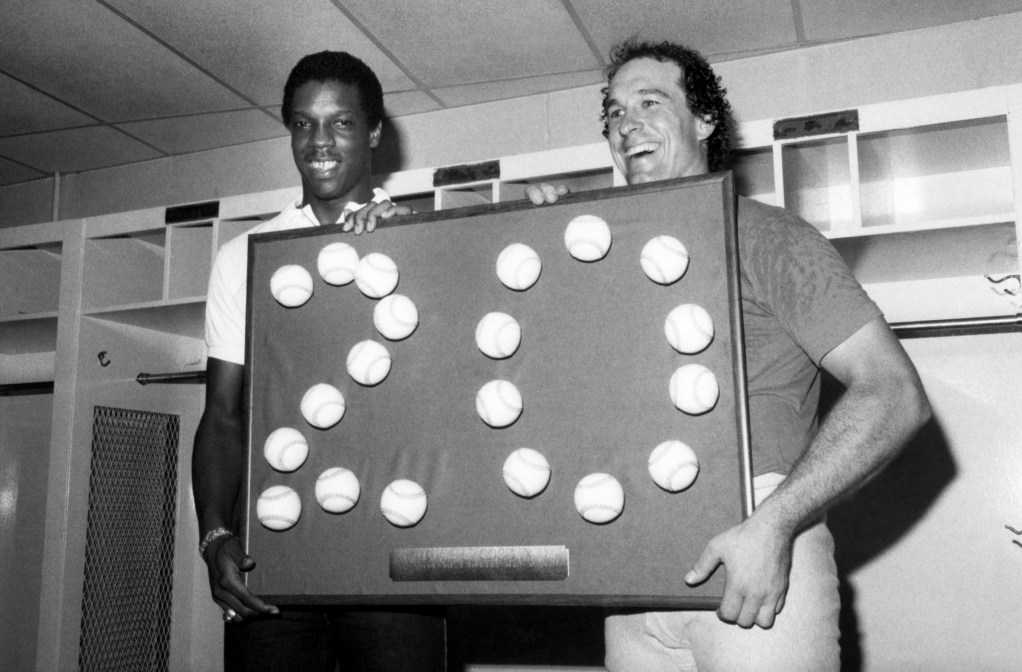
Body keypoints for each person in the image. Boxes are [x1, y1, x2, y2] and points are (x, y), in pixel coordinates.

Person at [528, 39, 931, 672]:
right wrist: (544, 247)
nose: (625, 123)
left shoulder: (771, 236)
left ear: (705, 120)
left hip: (752, 541)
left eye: (649, 102)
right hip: (629, 562)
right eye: (612, 113)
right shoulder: (601, 256)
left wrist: (775, 523)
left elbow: (894, 393)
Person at [192, 50, 445, 671]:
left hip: (397, 551)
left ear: (376, 132)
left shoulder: (428, 237)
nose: (319, 140)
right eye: (303, 123)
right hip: (277, 558)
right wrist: (215, 536)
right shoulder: (245, 256)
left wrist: (414, 247)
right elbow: (223, 416)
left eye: (341, 122)